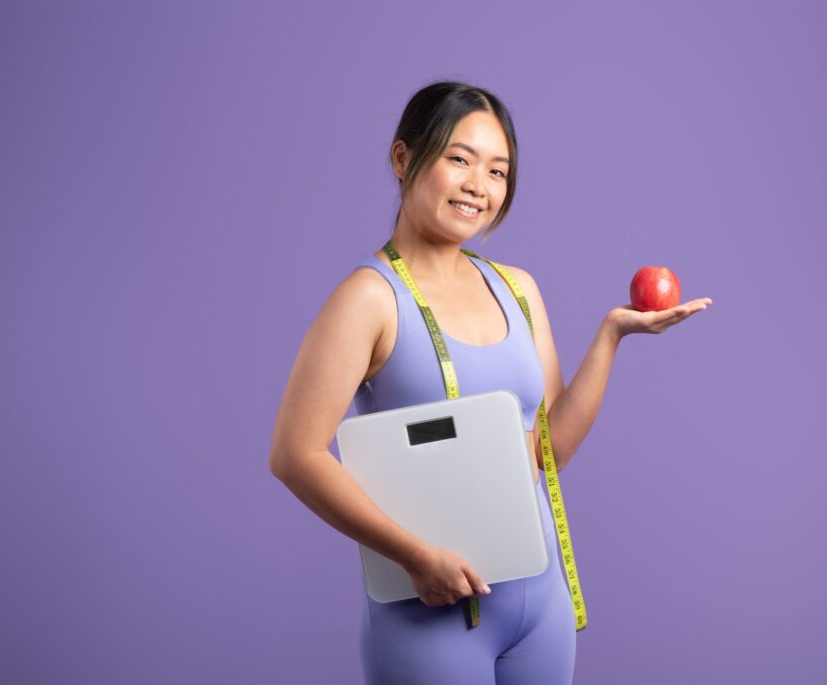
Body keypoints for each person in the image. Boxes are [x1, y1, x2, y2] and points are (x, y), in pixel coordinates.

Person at [269, 81, 713, 685]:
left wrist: (611, 337)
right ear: (403, 159)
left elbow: (544, 450)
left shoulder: (518, 289)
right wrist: (413, 556)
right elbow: (295, 454)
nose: (480, 185)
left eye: (499, 170)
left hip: (541, 602)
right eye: (459, 159)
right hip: (430, 610)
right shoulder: (369, 299)